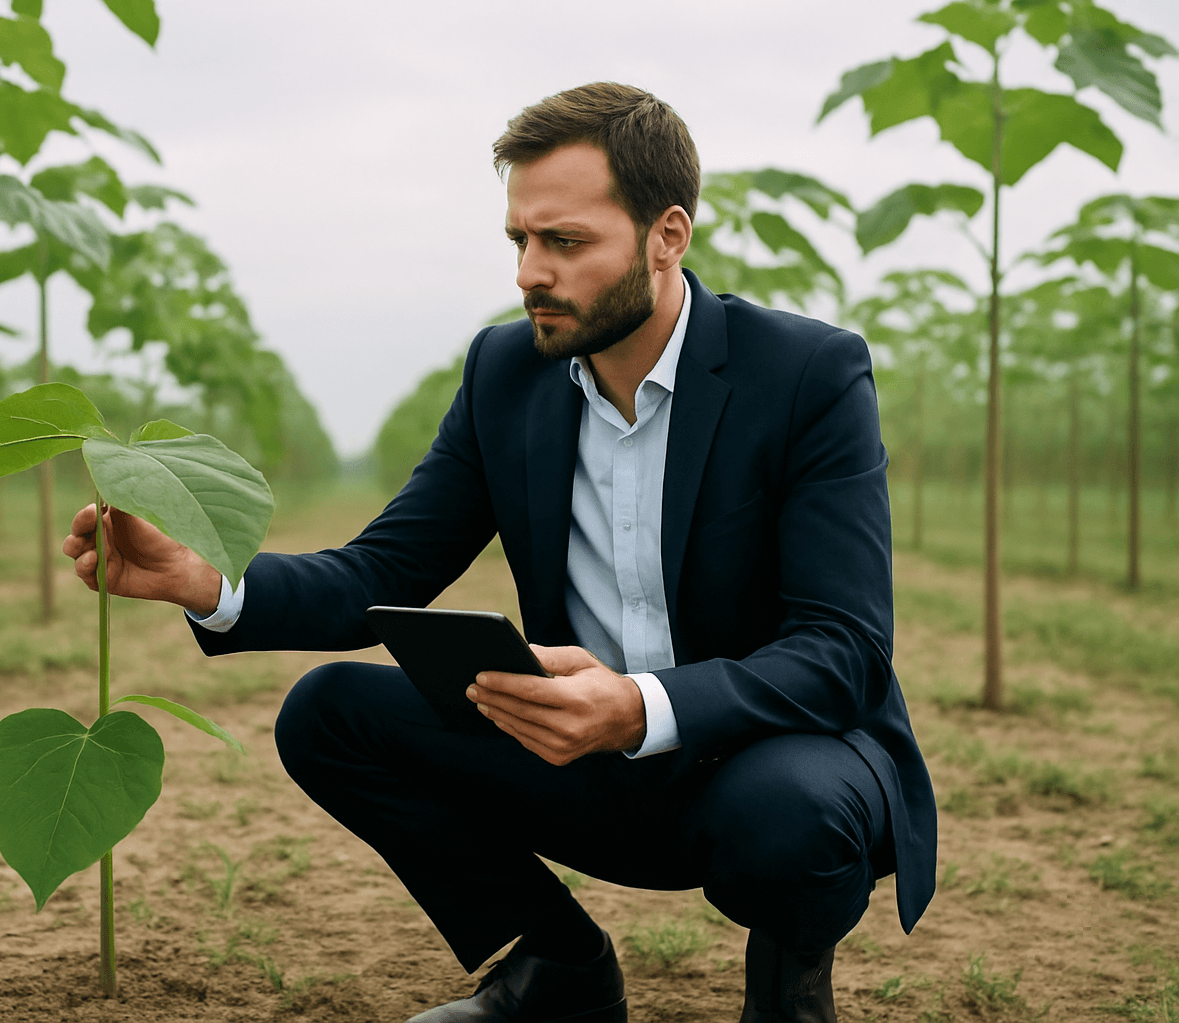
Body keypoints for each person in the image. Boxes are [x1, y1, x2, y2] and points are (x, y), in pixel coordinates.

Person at [63, 82, 935, 1023]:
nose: (529, 272)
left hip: (765, 758)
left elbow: (841, 652)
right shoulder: (504, 374)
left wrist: (638, 706)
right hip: (585, 758)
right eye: (520, 240)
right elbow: (382, 572)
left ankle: (789, 987)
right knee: (330, 715)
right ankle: (557, 966)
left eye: (565, 243)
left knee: (789, 819)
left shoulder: (806, 373)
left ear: (667, 235)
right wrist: (207, 581)